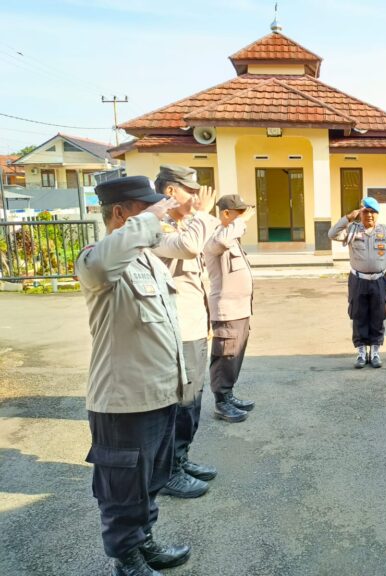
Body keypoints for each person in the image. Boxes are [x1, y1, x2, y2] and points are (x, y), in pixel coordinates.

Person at [76, 176, 192, 576]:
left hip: (159, 395)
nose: (158, 214)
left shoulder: (147, 260)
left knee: (150, 482)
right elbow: (101, 266)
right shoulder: (97, 258)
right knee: (123, 492)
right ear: (121, 213)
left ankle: (144, 543)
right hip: (123, 402)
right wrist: (149, 221)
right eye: (147, 208)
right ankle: (126, 559)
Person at [152, 165, 219, 499]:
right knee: (179, 403)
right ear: (170, 192)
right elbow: (190, 248)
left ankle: (180, 459)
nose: (196, 197)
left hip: (193, 325)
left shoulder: (183, 225)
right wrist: (202, 214)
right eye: (190, 190)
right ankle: (168, 472)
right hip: (175, 330)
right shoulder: (155, 226)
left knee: (191, 401)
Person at [328, 196, 386, 368]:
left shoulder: (385, 231)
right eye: (366, 211)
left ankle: (375, 352)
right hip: (358, 280)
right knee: (358, 315)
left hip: (379, 280)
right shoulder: (352, 230)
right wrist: (347, 218)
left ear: (377, 214)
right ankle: (361, 352)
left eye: (373, 212)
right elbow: (332, 234)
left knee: (378, 315)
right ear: (360, 212)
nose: (369, 215)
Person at [204, 195, 257, 423]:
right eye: (239, 213)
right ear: (226, 214)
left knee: (235, 355)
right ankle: (221, 401)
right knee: (225, 355)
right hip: (226, 310)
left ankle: (229, 393)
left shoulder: (232, 236)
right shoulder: (217, 235)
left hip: (240, 308)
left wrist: (238, 222)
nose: (243, 218)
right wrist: (240, 222)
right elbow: (221, 242)